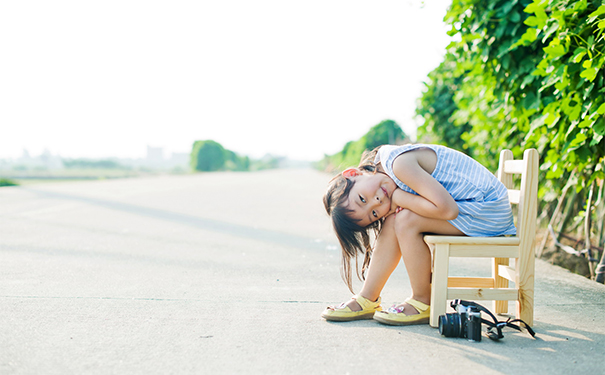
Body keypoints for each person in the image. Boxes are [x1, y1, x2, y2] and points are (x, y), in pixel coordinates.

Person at [321, 143, 516, 325]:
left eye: (362, 199)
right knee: (394, 219)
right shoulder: (386, 169)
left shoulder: (398, 165)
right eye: (373, 214)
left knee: (405, 220)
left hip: (488, 212)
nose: (377, 201)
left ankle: (422, 301)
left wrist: (398, 197)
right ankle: (367, 298)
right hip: (476, 208)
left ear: (352, 173)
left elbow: (448, 211)